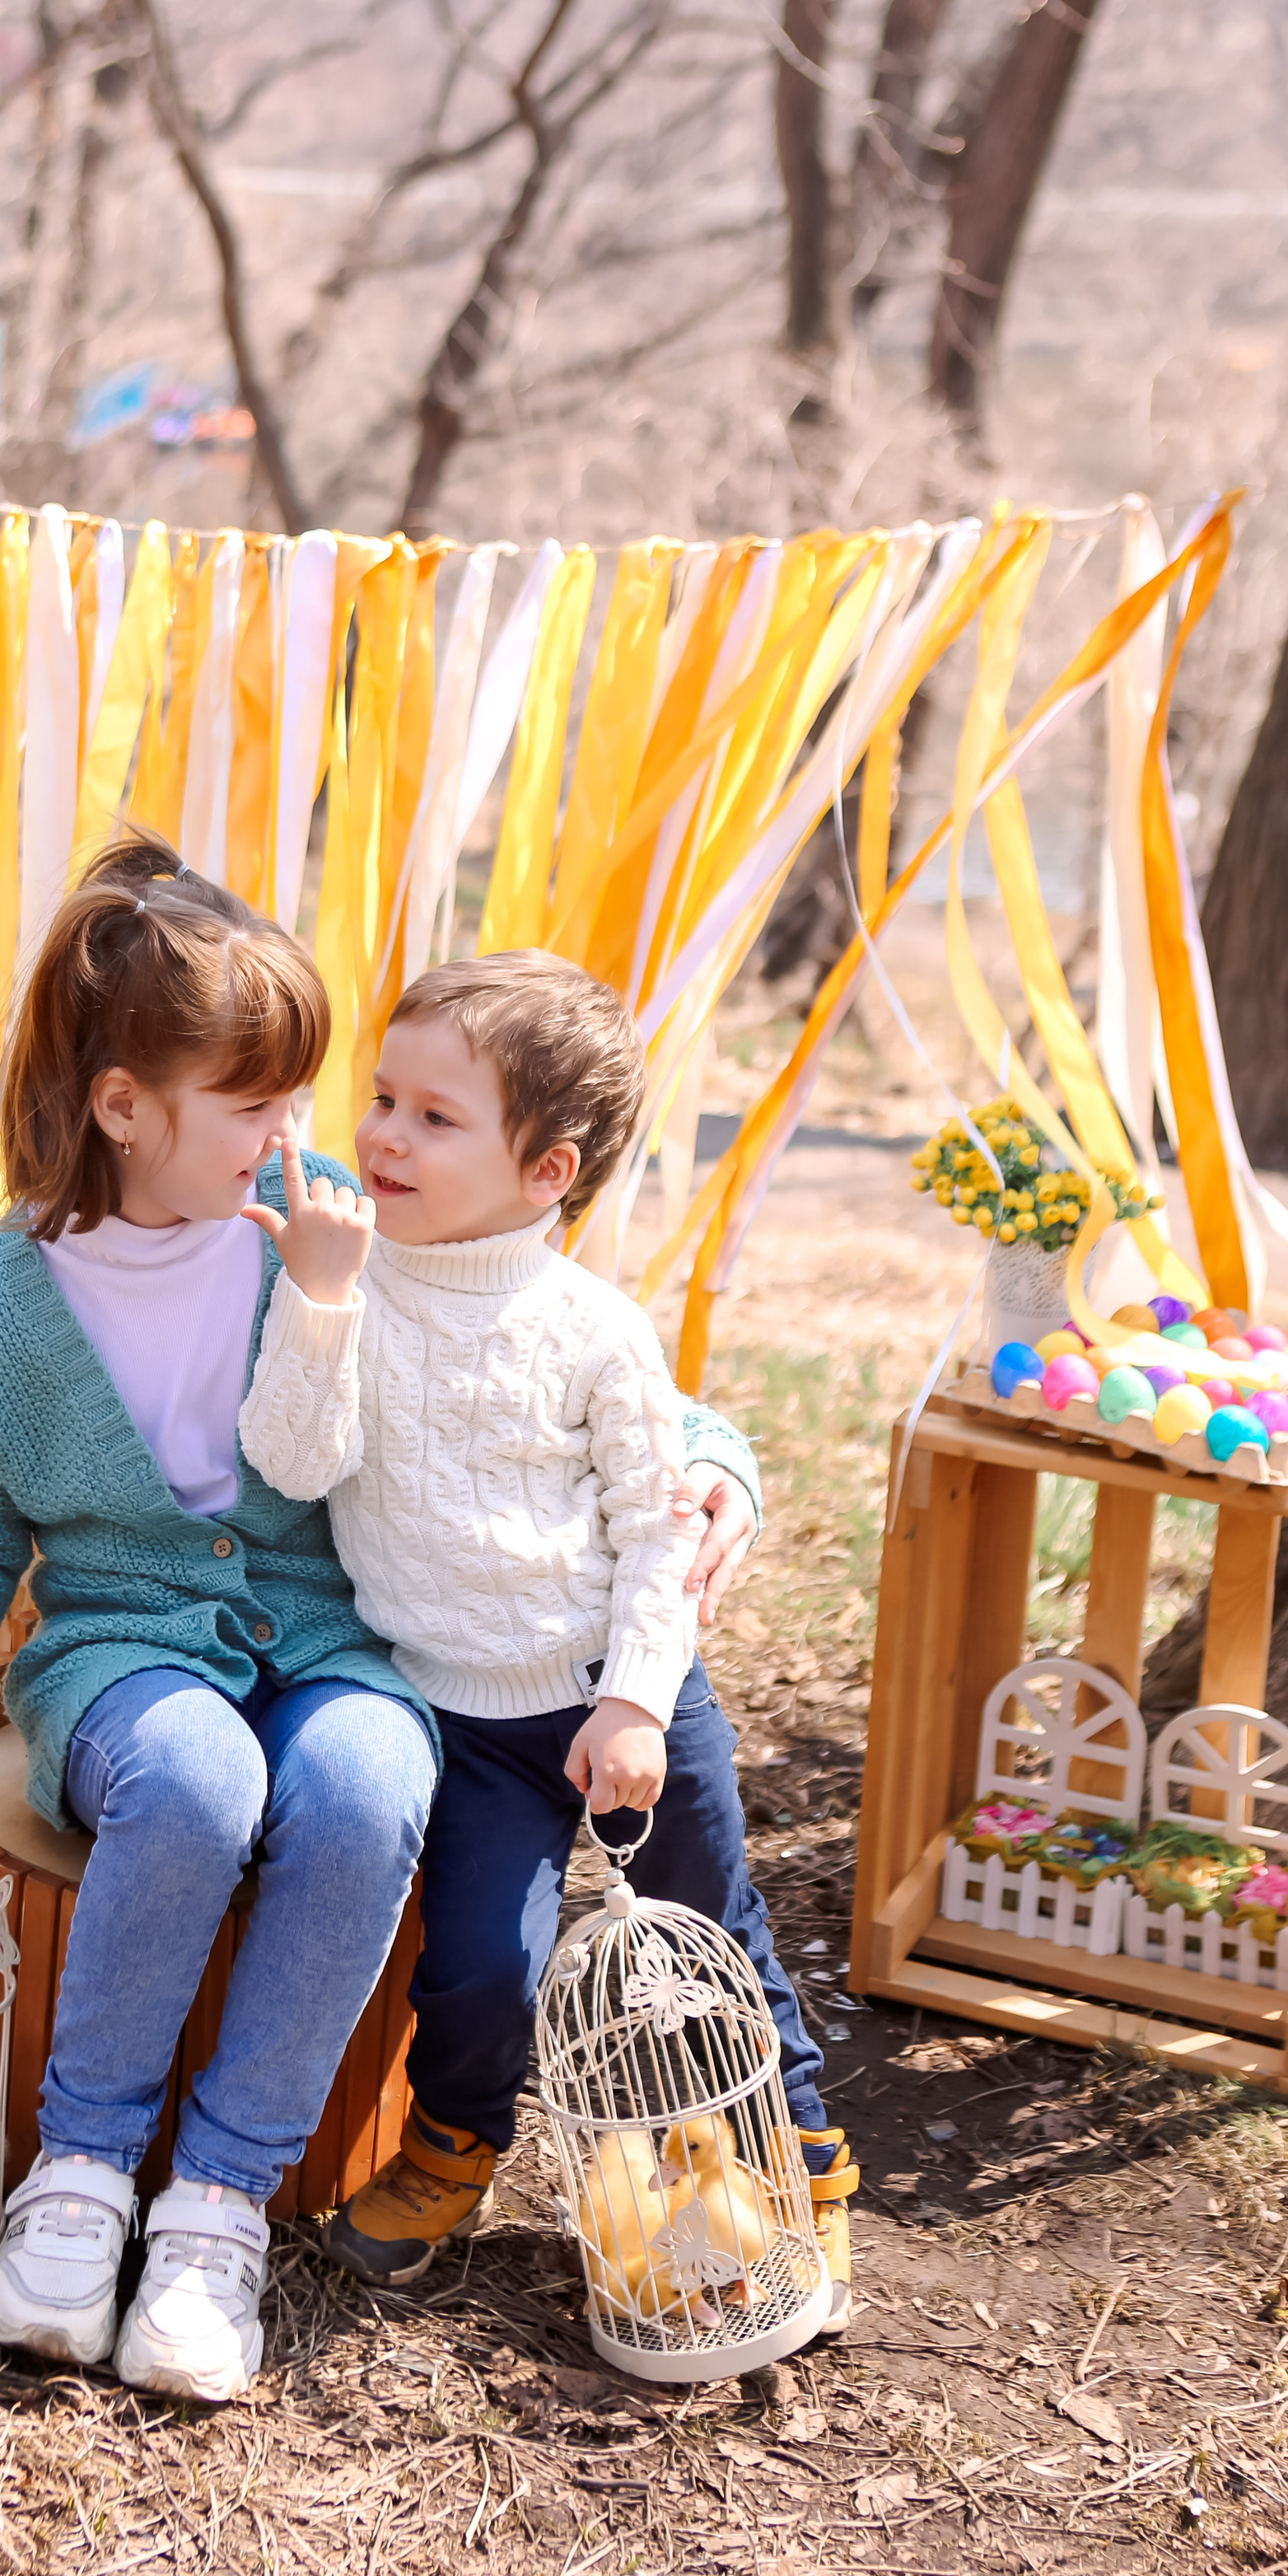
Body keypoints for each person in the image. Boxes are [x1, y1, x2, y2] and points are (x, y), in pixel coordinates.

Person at [0, 833, 436, 2405]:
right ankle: (82, 2177)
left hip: (315, 1631)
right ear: (123, 1107)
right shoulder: (3, 1301)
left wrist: (700, 1460)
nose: (294, 1133)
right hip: (117, 1650)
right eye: (256, 1104)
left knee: (369, 1785)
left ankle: (219, 2206)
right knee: (201, 1782)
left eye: (297, 1097)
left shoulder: (308, 1248)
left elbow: (536, 1348)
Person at [236, 950, 857, 2328]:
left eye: (436, 1117)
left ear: (545, 1172)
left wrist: (636, 1702)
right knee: (479, 1960)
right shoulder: (337, 1280)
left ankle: (796, 2149)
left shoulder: (593, 1333)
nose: (385, 1134)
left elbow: (653, 1536)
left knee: (712, 1934)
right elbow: (289, 1462)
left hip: (623, 1699)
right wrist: (324, 1301)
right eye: (383, 1098)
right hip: (455, 1716)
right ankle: (456, 2149)